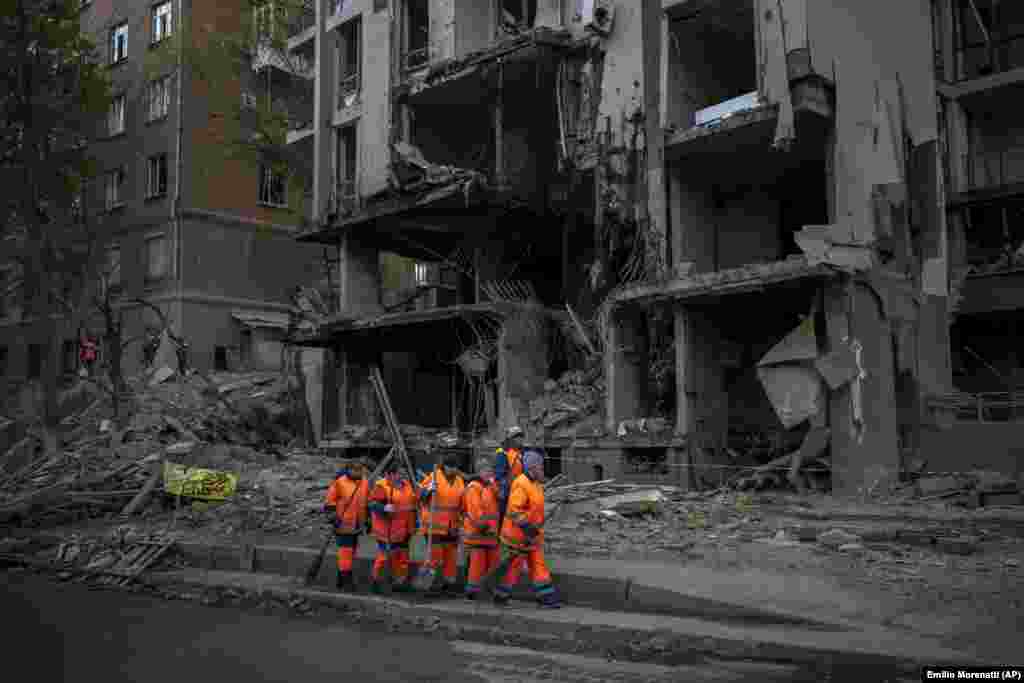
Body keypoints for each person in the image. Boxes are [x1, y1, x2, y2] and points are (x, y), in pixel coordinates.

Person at [494, 449, 560, 609]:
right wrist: (527, 526)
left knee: (538, 566)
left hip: (532, 536)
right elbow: (514, 510)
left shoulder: (535, 484)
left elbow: (534, 508)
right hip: (518, 537)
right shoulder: (521, 484)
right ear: (532, 468)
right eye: (540, 467)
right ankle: (501, 595)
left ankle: (547, 598)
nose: (542, 470)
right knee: (514, 568)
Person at [418, 454, 465, 596]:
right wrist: (428, 490)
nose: (454, 470)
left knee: (451, 556)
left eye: (456, 467)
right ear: (444, 466)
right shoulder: (433, 477)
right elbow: (420, 496)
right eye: (451, 467)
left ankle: (448, 584)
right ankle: (430, 584)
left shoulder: (459, 480)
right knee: (434, 557)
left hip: (452, 526)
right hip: (434, 525)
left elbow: (462, 501)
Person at [367, 462, 417, 594]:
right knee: (385, 557)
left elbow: (413, 503)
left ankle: (399, 582)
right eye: (400, 474)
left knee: (403, 557)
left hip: (405, 530)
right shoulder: (381, 487)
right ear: (390, 474)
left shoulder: (407, 486)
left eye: (404, 473)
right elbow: (372, 504)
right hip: (387, 531)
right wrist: (383, 507)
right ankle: (377, 582)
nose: (403, 476)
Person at [323, 459, 369, 592]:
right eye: (355, 470)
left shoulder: (364, 482)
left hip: (357, 524)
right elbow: (329, 502)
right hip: (343, 523)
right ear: (348, 470)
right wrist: (333, 518)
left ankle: (341, 579)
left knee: (351, 552)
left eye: (360, 470)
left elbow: (366, 501)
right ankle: (346, 581)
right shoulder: (339, 482)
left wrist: (367, 520)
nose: (358, 472)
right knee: (346, 552)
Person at [461, 458, 501, 600]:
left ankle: (489, 589)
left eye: (491, 471)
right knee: (477, 564)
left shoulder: (489, 487)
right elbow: (475, 510)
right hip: (479, 533)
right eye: (486, 470)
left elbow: (499, 499)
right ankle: (472, 591)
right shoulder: (474, 487)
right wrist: (483, 526)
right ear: (479, 471)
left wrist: (493, 485)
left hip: (490, 534)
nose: (489, 473)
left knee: (493, 563)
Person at [494, 426, 525, 528]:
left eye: (521, 437)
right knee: (504, 518)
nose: (520, 439)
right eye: (517, 437)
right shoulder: (502, 453)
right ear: (510, 439)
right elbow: (499, 475)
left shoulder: (520, 452)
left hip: (518, 490)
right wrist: (507, 487)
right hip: (506, 492)